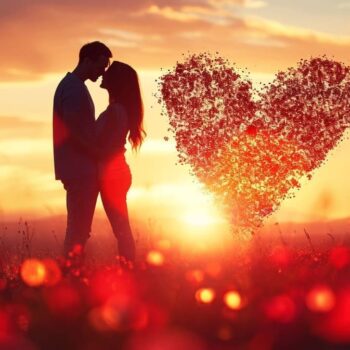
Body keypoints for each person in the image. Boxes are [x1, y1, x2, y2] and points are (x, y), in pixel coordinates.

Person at [53, 41, 112, 257]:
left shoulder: (75, 87)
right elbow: (73, 134)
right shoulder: (73, 89)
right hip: (80, 171)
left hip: (79, 170)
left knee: (79, 230)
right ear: (87, 60)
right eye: (101, 65)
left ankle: (71, 276)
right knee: (78, 231)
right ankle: (69, 277)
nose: (103, 71)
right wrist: (99, 154)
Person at [96, 61, 146, 264]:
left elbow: (103, 145)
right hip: (116, 173)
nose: (103, 73)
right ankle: (128, 269)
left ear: (116, 81)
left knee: (121, 230)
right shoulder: (118, 109)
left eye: (108, 72)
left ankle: (128, 271)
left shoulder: (116, 111)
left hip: (112, 175)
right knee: (121, 228)